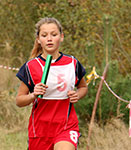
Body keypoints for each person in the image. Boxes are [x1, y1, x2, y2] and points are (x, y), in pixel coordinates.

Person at [16, 17, 88, 150]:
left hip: (66, 126)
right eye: (44, 35)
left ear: (61, 37)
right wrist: (33, 95)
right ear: (38, 40)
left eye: (53, 35)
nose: (49, 39)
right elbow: (19, 100)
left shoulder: (72, 63)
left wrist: (77, 95)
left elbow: (83, 87)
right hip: (40, 130)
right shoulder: (31, 66)